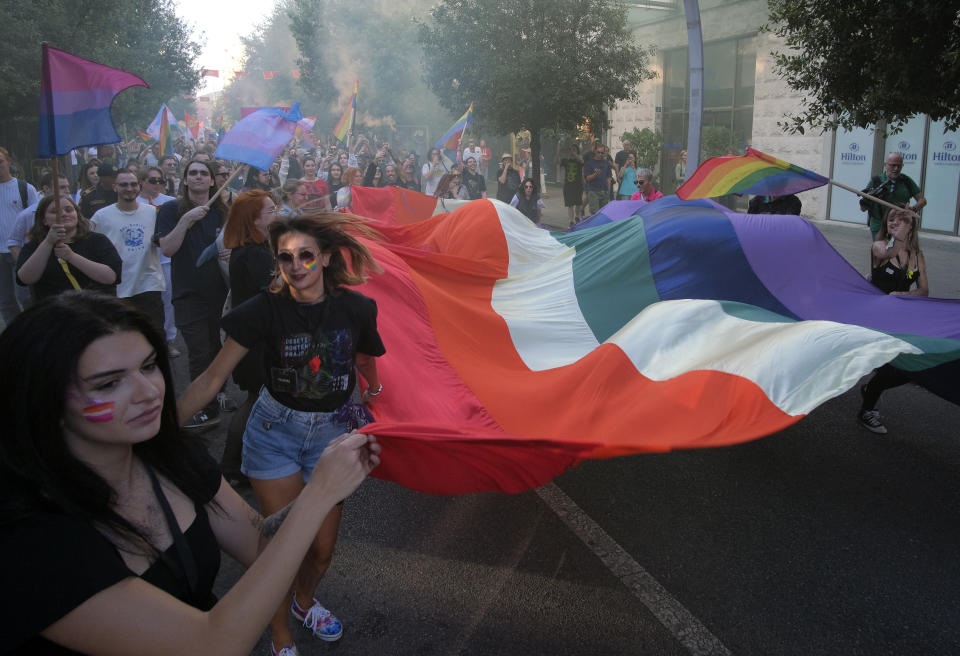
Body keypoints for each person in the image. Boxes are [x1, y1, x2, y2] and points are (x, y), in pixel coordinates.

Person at [0, 291, 380, 654]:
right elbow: (209, 645)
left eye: (149, 366)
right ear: (43, 399)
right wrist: (319, 495)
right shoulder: (30, 538)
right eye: (109, 383)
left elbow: (258, 543)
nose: (148, 391)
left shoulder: (171, 457)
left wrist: (327, 476)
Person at [176, 212, 385, 654]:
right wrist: (159, 429)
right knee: (279, 551)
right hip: (276, 434)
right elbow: (212, 380)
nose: (296, 266)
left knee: (322, 551)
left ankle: (304, 603)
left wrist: (376, 387)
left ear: (326, 258)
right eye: (285, 257)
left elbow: (364, 357)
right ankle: (280, 635)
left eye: (306, 255)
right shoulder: (262, 310)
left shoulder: (357, 308)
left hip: (332, 436)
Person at [155, 159, 229, 431]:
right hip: (188, 294)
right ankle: (205, 411)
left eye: (204, 173)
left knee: (217, 349)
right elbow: (167, 249)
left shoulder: (223, 211)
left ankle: (217, 394)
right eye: (193, 173)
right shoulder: (171, 209)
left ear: (212, 181)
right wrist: (186, 220)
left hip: (221, 293)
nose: (198, 177)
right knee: (199, 353)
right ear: (185, 180)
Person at [220, 190, 282, 486]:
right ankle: (232, 467)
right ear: (253, 220)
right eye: (270, 210)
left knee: (258, 399)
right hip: (255, 341)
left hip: (256, 337)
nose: (276, 213)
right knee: (256, 400)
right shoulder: (252, 253)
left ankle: (240, 464)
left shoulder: (255, 248)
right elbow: (274, 289)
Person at [857, 206, 929, 434]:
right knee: (892, 367)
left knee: (911, 369)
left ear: (910, 226)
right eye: (891, 219)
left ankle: (870, 388)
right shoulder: (878, 247)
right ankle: (866, 411)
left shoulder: (917, 255)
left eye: (899, 219)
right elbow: (889, 252)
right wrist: (905, 224)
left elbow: (924, 290)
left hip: (901, 320)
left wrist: (904, 295)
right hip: (876, 320)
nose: (894, 222)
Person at [90, 170, 166, 336]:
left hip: (148, 283)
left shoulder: (153, 212)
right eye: (124, 184)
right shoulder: (101, 217)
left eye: (133, 184)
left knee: (154, 334)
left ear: (139, 186)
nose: (129, 188)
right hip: (117, 287)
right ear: (115, 187)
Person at [16, 195, 121, 300]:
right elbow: (25, 279)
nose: (63, 214)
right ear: (44, 220)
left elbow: (110, 277)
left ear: (77, 214)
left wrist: (71, 256)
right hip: (53, 311)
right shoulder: (34, 246)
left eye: (69, 210)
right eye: (55, 212)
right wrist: (48, 242)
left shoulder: (98, 241)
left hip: (94, 311)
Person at [136, 166, 180, 357]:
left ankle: (168, 340)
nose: (157, 184)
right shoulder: (134, 203)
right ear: (142, 182)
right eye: (152, 180)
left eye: (160, 181)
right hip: (143, 261)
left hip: (166, 260)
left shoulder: (171, 203)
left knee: (168, 302)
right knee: (146, 302)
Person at [1, 148, 40, 324]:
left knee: (25, 297)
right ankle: (15, 338)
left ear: (8, 161)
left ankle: (33, 329)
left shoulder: (24, 188)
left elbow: (37, 218)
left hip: (21, 250)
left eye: (0, 161)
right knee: (5, 301)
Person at [860, 151, 926, 240]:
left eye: (899, 166)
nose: (896, 168)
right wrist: (865, 203)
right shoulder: (876, 181)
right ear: (885, 165)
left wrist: (912, 209)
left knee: (899, 253)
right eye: (893, 165)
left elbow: (922, 200)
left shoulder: (906, 181)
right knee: (880, 252)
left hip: (901, 226)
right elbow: (863, 209)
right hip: (879, 226)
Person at [558, 144, 585, 227]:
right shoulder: (565, 160)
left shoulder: (579, 159)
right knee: (570, 204)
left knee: (578, 203)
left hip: (578, 185)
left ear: (577, 151)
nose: (572, 151)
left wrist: (575, 155)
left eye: (574, 149)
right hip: (568, 185)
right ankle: (571, 221)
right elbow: (556, 162)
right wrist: (558, 151)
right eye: (570, 150)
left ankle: (577, 216)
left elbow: (582, 161)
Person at [583, 144, 613, 214]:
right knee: (595, 213)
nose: (600, 154)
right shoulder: (589, 163)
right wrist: (595, 174)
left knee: (603, 213)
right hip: (593, 191)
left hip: (604, 191)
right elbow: (588, 178)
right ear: (595, 151)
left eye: (602, 153)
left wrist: (608, 190)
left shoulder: (606, 163)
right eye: (598, 152)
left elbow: (609, 177)